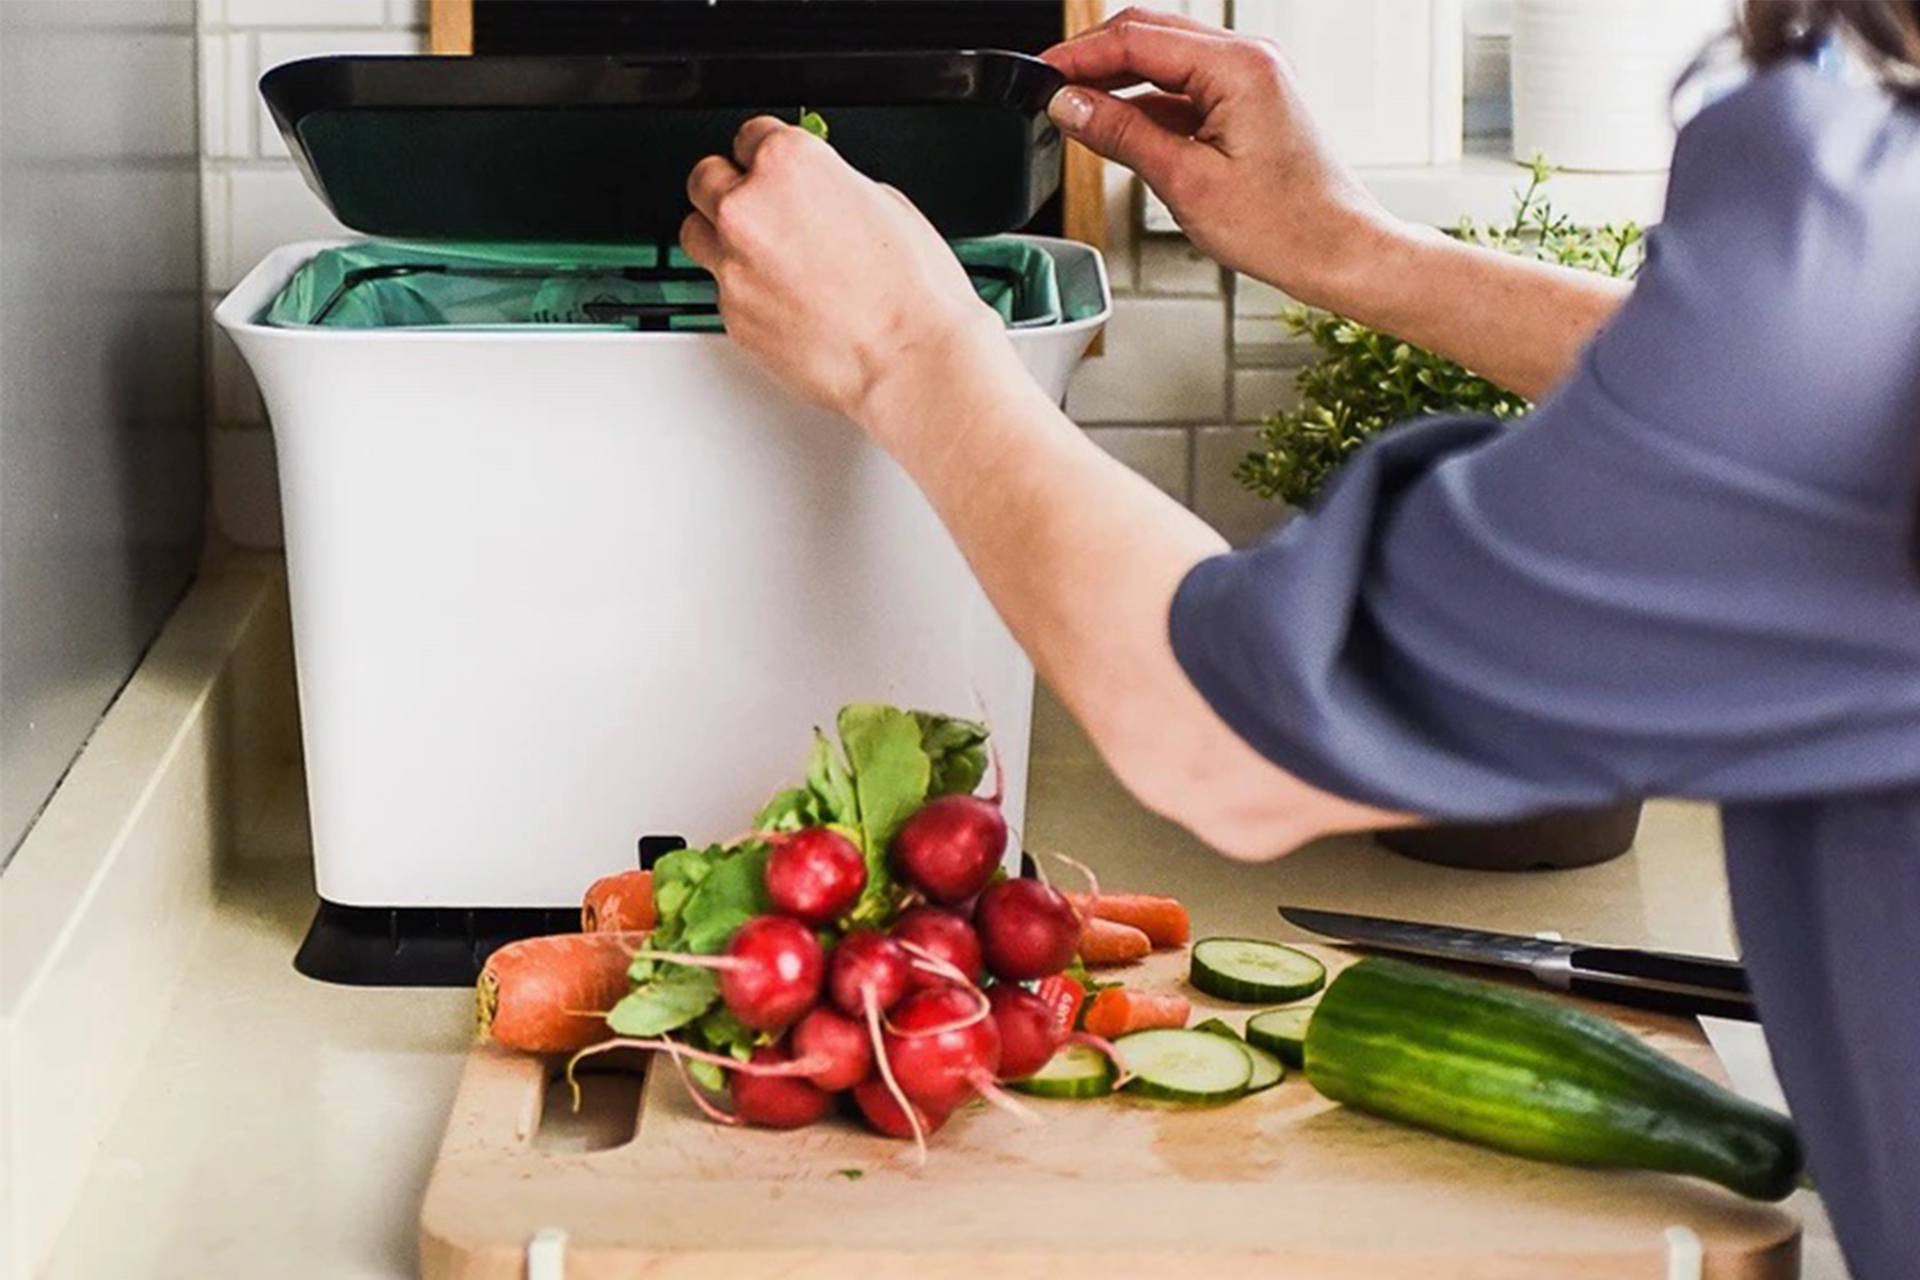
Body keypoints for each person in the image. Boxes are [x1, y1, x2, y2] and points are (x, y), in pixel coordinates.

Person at [677, 3, 1920, 1274]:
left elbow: (1230, 734)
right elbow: (1786, 431)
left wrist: (906, 348)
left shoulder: (1850, 208)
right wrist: (1350, 249)